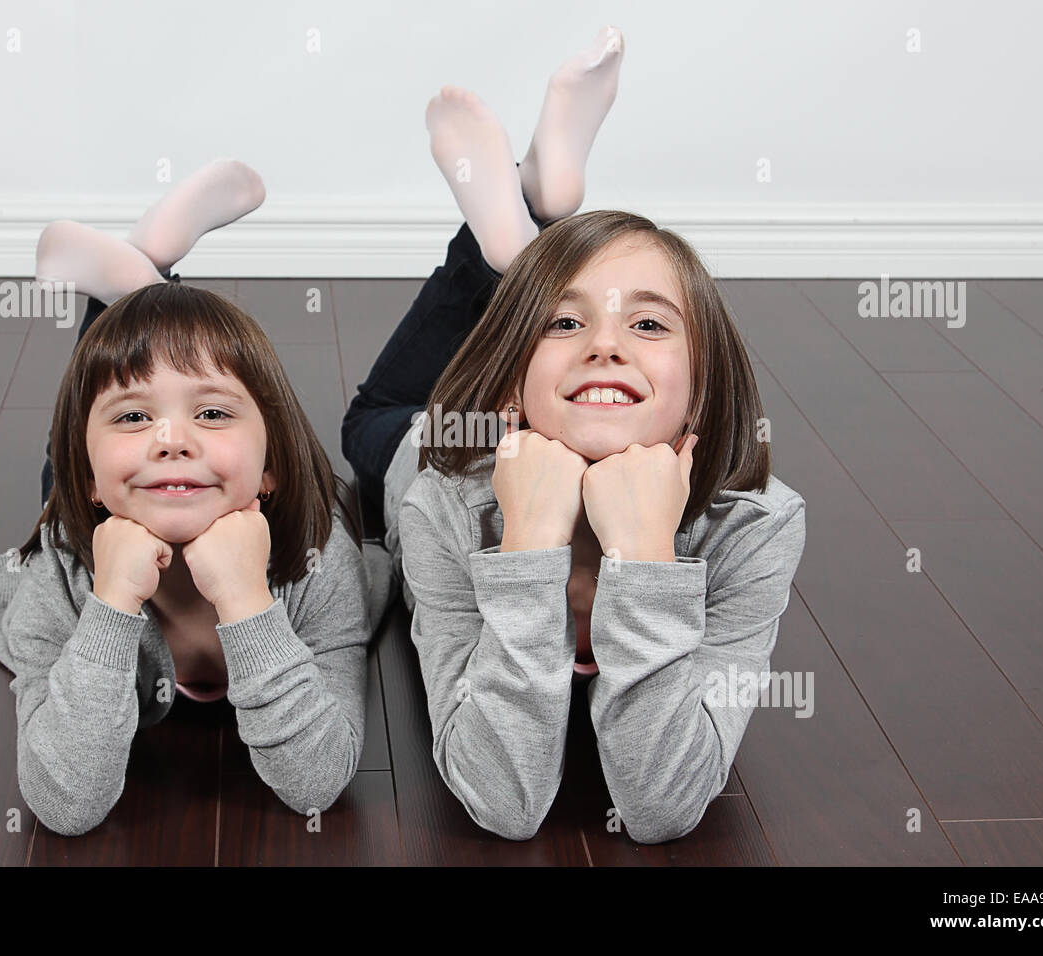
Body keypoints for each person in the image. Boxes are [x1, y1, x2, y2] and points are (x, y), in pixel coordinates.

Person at [342, 27, 807, 844]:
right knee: (370, 427)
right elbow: (503, 804)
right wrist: (524, 548)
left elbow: (661, 807)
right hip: (431, 441)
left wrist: (649, 560)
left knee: (377, 412)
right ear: (512, 388)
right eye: (567, 321)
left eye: (650, 324)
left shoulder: (756, 526)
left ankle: (521, 240)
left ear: (701, 396)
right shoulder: (443, 503)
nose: (606, 343)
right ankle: (517, 249)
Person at [0, 162, 389, 836]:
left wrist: (249, 602)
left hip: (157, 494)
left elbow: (316, 785)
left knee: (129, 404)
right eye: (138, 419)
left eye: (215, 415)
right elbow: (65, 804)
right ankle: (139, 277)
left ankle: (133, 277)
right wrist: (109, 607)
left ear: (272, 469)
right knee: (84, 443)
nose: (171, 440)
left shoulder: (318, 563)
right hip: (100, 512)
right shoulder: (63, 578)